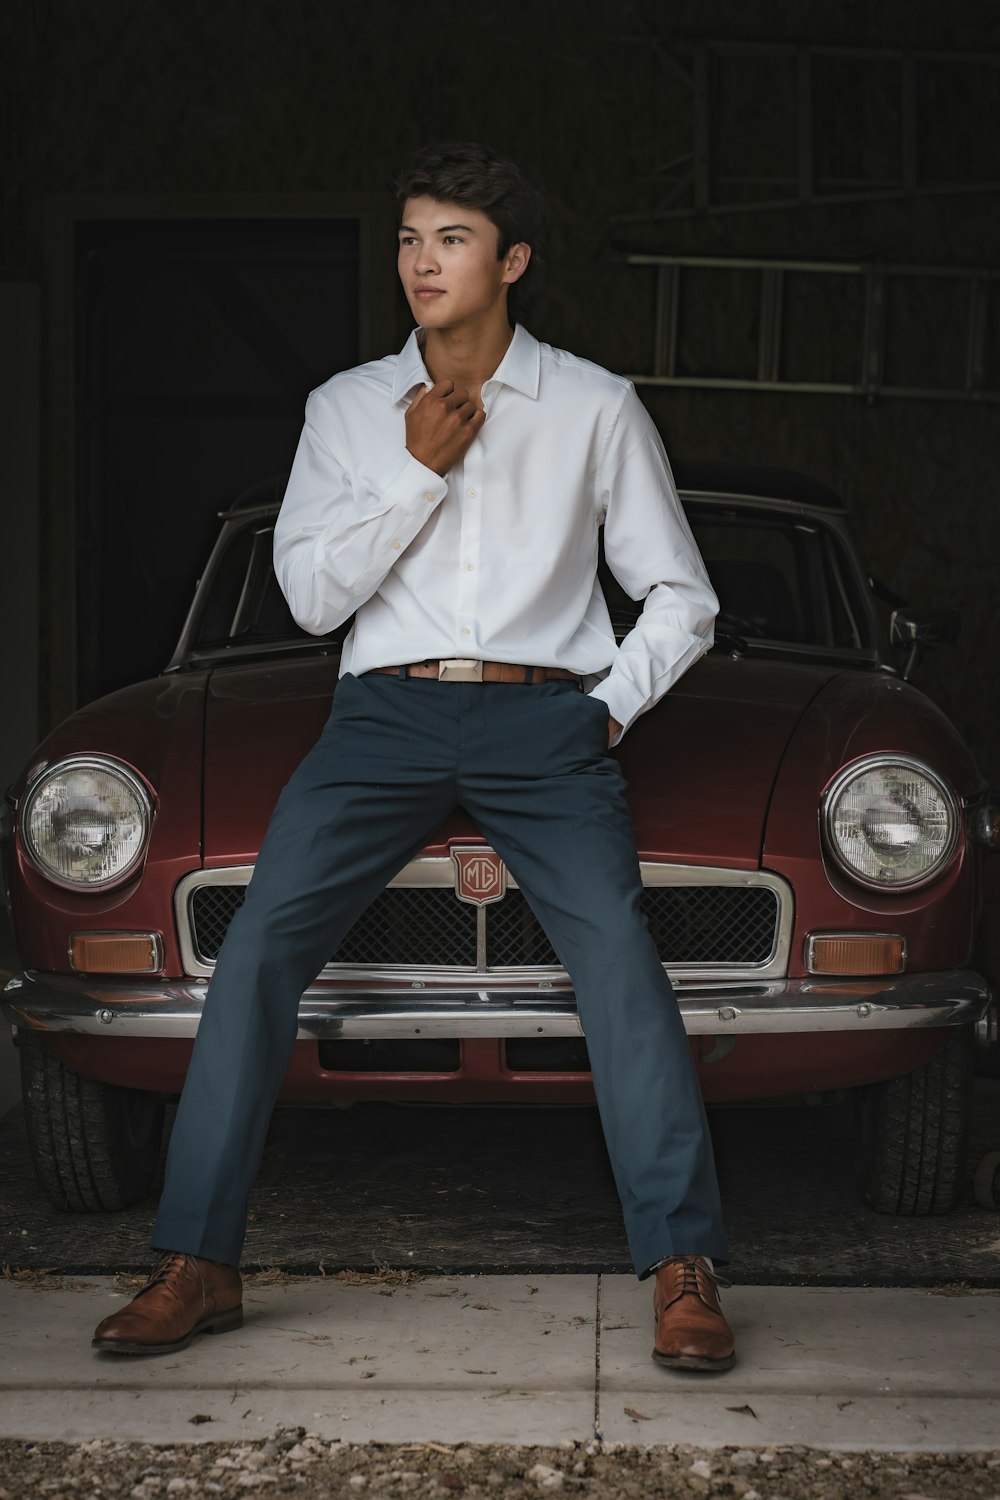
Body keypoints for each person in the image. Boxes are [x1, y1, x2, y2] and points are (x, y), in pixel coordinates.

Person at [92, 142, 735, 1372]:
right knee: (263, 941)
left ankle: (682, 1268)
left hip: (548, 719)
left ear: (513, 261)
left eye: (449, 238)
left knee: (617, 960)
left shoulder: (595, 406)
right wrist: (412, 472)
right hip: (381, 720)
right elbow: (311, 599)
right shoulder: (344, 411)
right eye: (407, 239)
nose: (421, 261)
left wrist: (603, 711)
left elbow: (679, 597)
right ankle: (197, 1261)